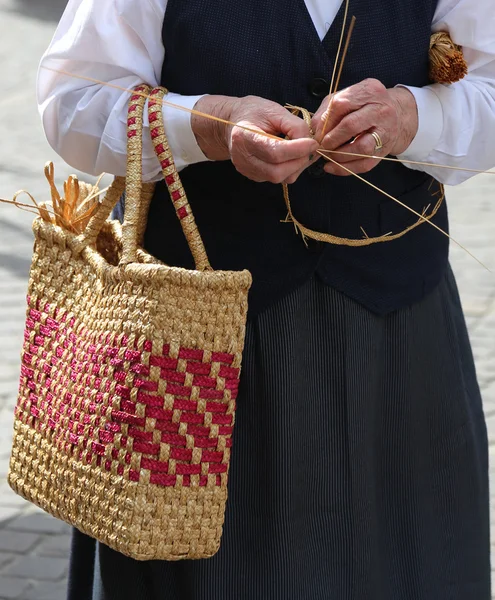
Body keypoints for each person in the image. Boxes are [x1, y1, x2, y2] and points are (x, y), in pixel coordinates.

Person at [38, 0, 495, 598]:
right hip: (190, 352)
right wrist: (208, 124)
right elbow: (72, 100)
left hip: (396, 335)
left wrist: (414, 117)